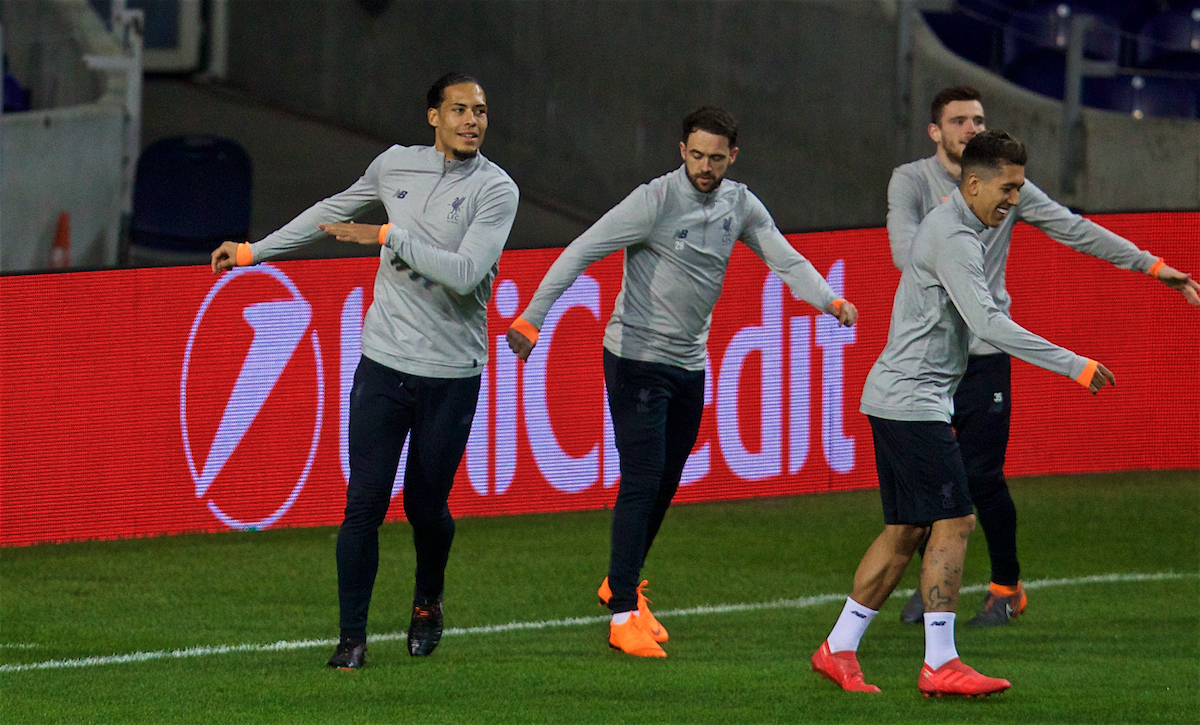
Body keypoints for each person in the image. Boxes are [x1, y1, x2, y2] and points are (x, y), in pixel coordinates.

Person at [505, 106, 857, 658]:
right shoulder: (655, 200)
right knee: (642, 478)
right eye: (697, 155)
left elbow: (784, 260)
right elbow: (582, 250)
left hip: (690, 366)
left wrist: (828, 299)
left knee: (666, 483)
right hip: (636, 358)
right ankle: (622, 615)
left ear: (732, 157)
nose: (705, 166)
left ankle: (621, 584)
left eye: (717, 157)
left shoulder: (739, 204)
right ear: (681, 150)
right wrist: (533, 316)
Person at [210, 73, 519, 669]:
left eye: (480, 111)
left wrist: (387, 235)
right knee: (364, 504)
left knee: (426, 506)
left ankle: (427, 599)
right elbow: (332, 209)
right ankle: (351, 639)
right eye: (459, 110)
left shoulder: (497, 190)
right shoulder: (395, 167)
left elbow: (462, 274)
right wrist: (254, 252)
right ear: (433, 116)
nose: (472, 121)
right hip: (383, 362)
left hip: (451, 371)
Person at [812, 130, 1117, 698]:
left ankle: (838, 647)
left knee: (905, 530)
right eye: (1008, 188)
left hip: (900, 398)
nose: (1014, 200)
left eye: (1020, 189)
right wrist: (1072, 363)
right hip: (912, 402)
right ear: (973, 183)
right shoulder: (954, 237)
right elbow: (988, 324)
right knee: (955, 520)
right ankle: (941, 662)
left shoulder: (964, 227)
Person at [888, 86, 1200, 626]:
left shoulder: (1008, 185)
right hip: (932, 358)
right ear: (935, 131)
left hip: (986, 355)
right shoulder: (913, 183)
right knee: (931, 480)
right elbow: (902, 252)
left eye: (978, 119)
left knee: (980, 477)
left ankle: (1006, 586)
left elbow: (1074, 229)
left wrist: (1151, 265)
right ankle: (937, 584)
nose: (970, 128)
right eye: (958, 120)